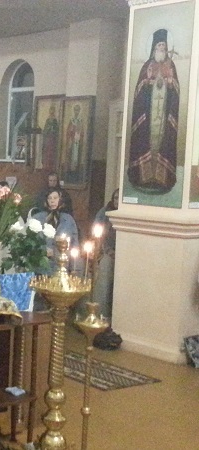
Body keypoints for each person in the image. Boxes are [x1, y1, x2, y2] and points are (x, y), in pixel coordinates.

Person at [128, 28, 179, 193]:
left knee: (162, 141)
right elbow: (139, 90)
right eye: (159, 46)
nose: (161, 49)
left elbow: (176, 91)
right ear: (154, 48)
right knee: (147, 141)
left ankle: (161, 179)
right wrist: (148, 81)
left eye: (163, 47)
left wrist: (170, 83)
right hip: (148, 115)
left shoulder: (171, 66)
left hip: (163, 113)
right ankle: (144, 178)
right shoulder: (147, 66)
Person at [91, 189, 122, 350]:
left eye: (119, 198)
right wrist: (108, 251)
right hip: (107, 252)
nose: (117, 200)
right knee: (104, 273)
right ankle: (100, 315)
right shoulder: (104, 213)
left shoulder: (125, 213)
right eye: (115, 198)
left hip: (123, 254)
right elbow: (99, 236)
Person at [32, 188, 79, 274]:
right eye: (49, 198)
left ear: (60, 199)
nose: (52, 201)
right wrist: (43, 250)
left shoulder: (68, 219)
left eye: (55, 198)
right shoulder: (37, 218)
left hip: (62, 265)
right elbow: (31, 242)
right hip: (42, 266)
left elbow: (74, 244)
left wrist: (74, 267)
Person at [41, 104, 59, 171]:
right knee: (47, 153)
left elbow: (57, 130)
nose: (52, 112)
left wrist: (53, 130)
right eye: (51, 110)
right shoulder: (48, 120)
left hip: (53, 139)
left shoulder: (55, 120)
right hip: (48, 139)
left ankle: (52, 167)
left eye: (53, 110)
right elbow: (45, 130)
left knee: (52, 153)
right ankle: (46, 166)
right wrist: (47, 129)